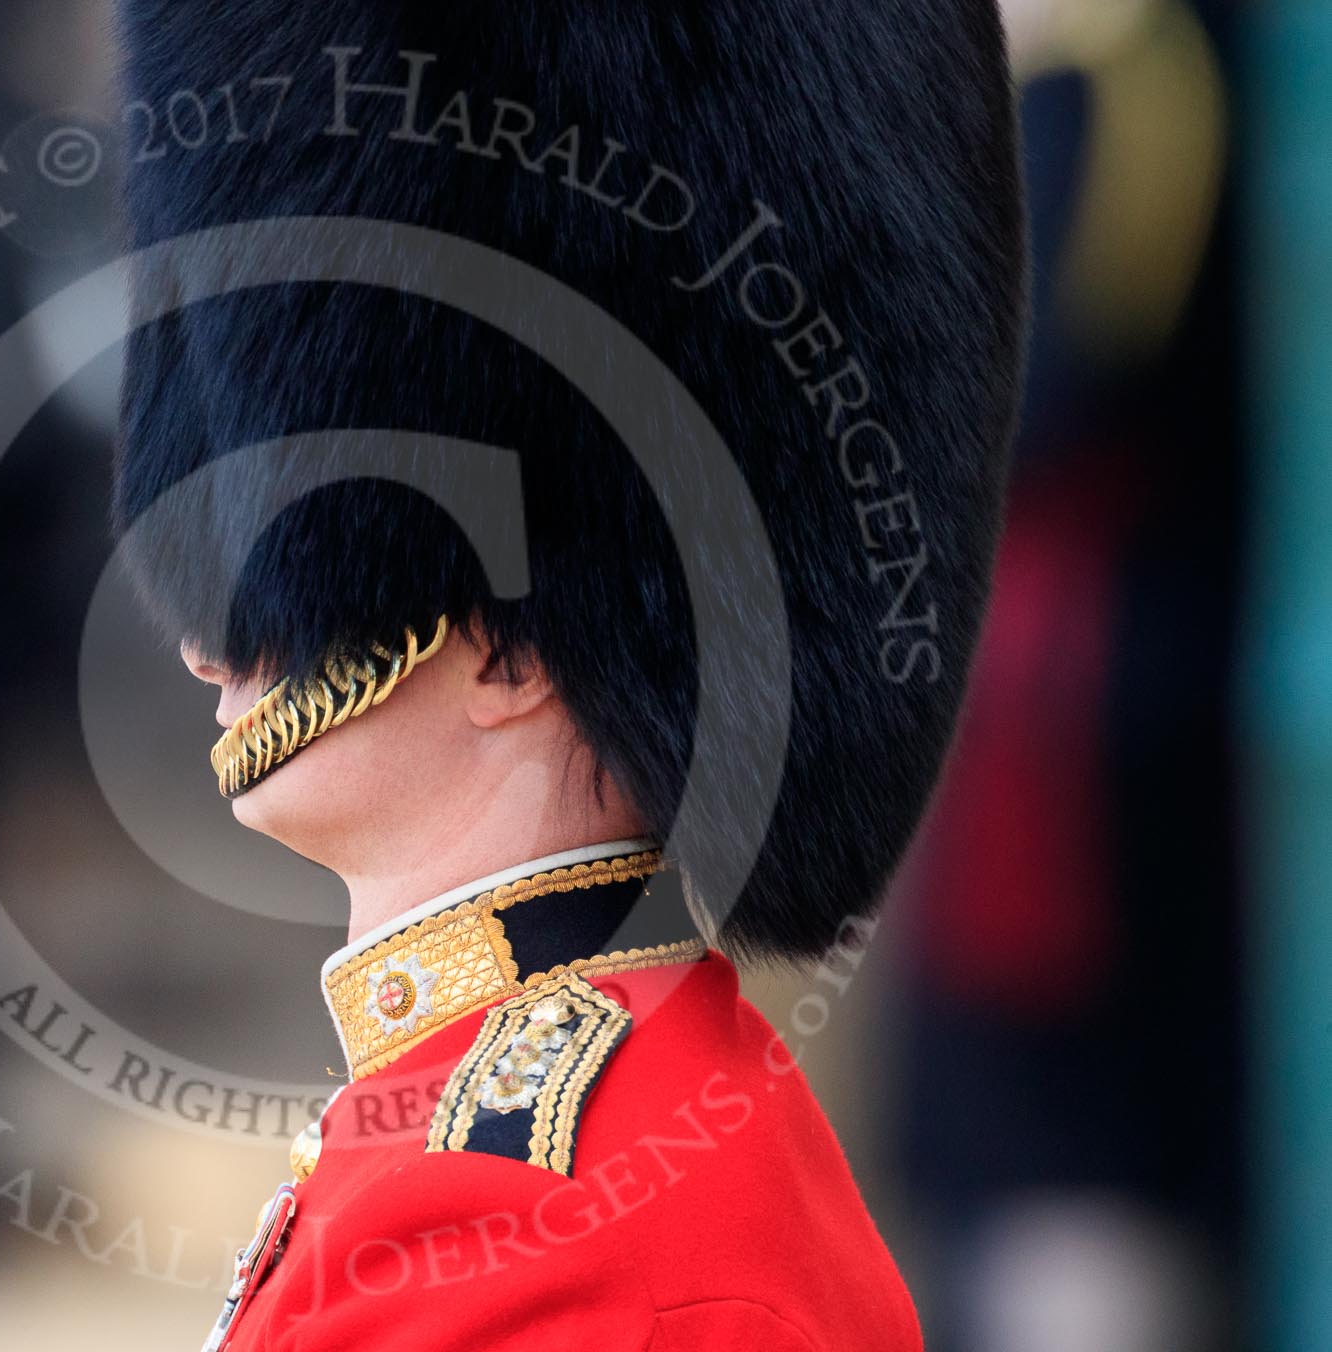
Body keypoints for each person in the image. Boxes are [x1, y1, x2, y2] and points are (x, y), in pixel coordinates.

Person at [108, 3, 1025, 1348]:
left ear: (513, 645)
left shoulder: (535, 1234)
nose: (209, 646)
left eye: (278, 570)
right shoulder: (530, 1134)